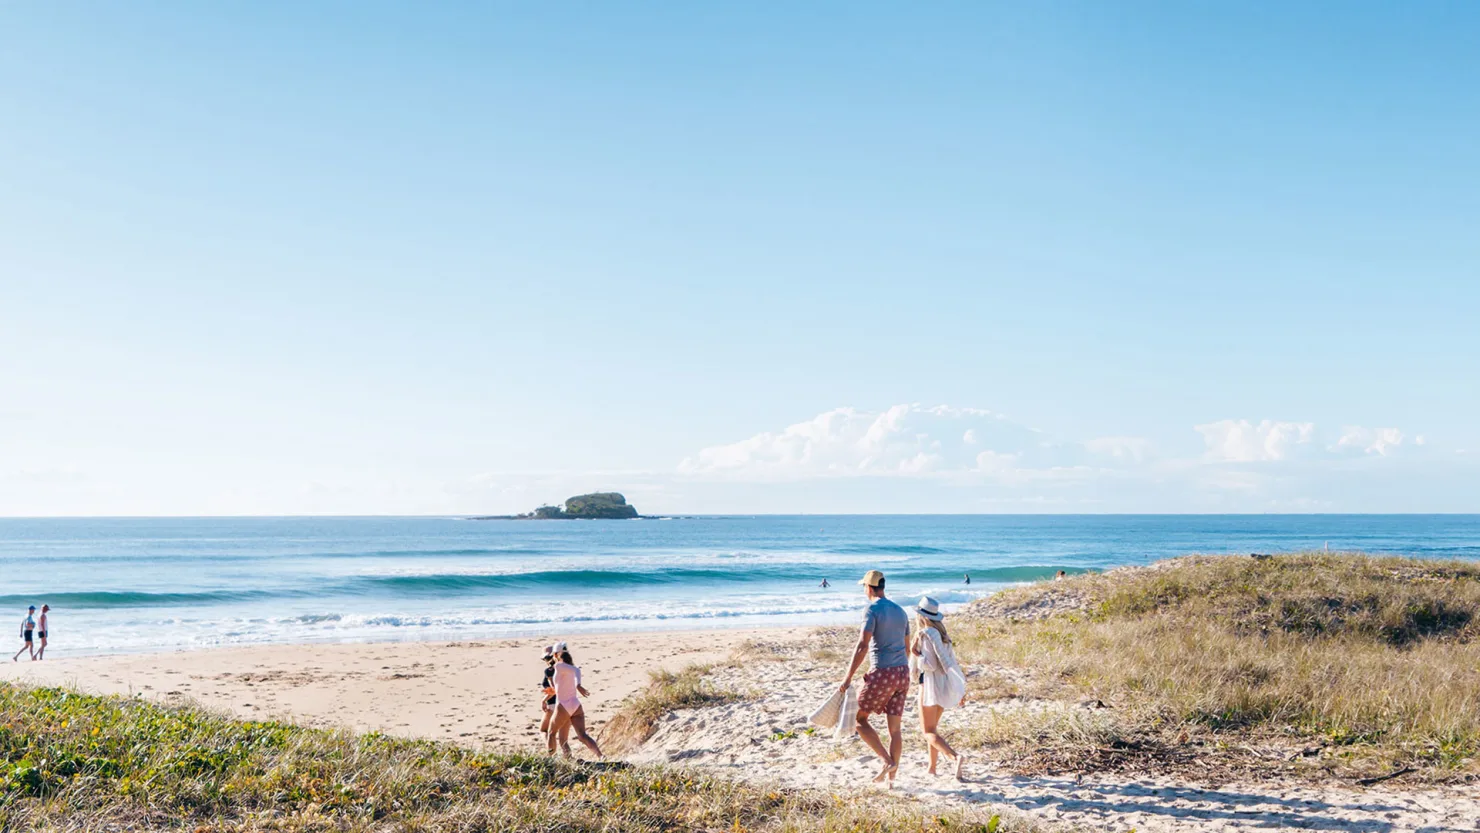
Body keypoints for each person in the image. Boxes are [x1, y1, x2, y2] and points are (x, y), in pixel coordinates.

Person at [837, 570, 910, 785]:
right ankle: (892, 780)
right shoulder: (901, 611)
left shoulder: (871, 609)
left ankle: (887, 761)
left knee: (857, 719)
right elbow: (906, 648)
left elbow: (862, 645)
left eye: (864, 587)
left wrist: (848, 676)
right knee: (895, 729)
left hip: (883, 671)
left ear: (869, 588)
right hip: (902, 673)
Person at [911, 596, 967, 780]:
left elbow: (929, 665)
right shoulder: (944, 637)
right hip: (943, 685)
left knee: (927, 731)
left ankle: (954, 757)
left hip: (929, 686)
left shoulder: (926, 635)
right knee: (933, 729)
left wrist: (916, 654)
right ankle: (932, 768)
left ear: (921, 616)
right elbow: (950, 662)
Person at [547, 644, 603, 759]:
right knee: (580, 736)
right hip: (576, 706)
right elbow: (571, 676)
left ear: (557, 654)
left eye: (553, 654)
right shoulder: (568, 667)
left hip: (563, 706)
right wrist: (553, 691)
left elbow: (577, 670)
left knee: (551, 733)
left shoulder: (559, 666)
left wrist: (578, 685)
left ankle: (550, 759)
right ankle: (600, 756)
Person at [538, 644, 558, 735]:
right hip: (569, 703)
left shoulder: (549, 671)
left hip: (553, 703)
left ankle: (550, 749)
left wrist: (543, 700)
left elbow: (554, 689)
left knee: (544, 731)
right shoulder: (566, 668)